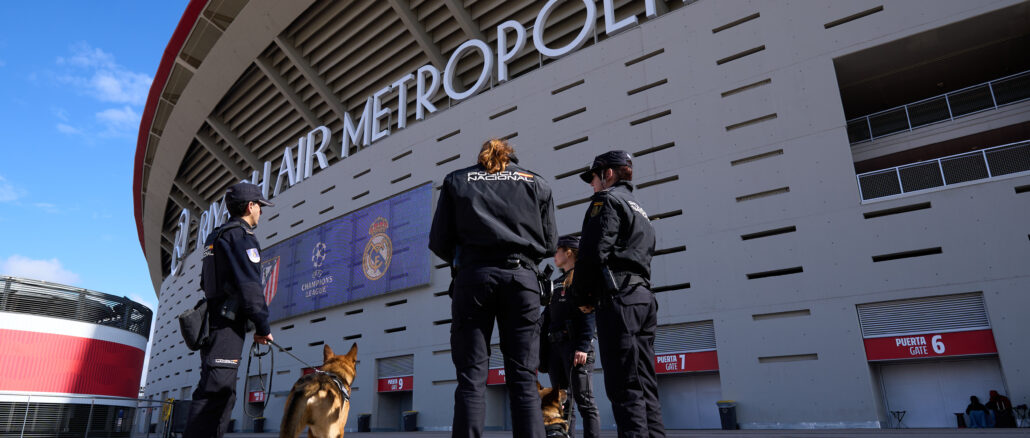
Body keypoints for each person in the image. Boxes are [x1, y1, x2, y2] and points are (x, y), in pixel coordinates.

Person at [429, 139, 557, 438]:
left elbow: (438, 241)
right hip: (521, 279)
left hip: (473, 278)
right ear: (510, 156)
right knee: (524, 378)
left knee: (472, 378)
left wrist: (469, 258)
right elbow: (551, 243)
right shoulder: (536, 183)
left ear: (481, 156)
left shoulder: (456, 180)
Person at [572, 150, 665, 437]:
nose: (592, 184)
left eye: (593, 178)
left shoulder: (607, 200)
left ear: (608, 174)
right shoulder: (640, 208)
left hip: (619, 298)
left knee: (624, 386)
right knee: (645, 383)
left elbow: (591, 253)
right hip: (643, 297)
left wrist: (582, 298)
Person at [184, 182, 274, 438]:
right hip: (226, 328)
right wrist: (263, 327)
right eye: (260, 206)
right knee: (216, 395)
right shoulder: (241, 237)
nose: (261, 212)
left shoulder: (216, 236)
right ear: (250, 206)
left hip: (213, 324)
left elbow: (205, 282)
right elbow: (251, 289)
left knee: (217, 393)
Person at [541, 234, 600, 438]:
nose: (554, 254)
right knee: (559, 403)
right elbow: (546, 317)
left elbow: (589, 312)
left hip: (575, 347)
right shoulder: (556, 282)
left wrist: (583, 346)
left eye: (558, 250)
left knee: (584, 401)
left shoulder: (582, 277)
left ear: (568, 251)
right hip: (555, 349)